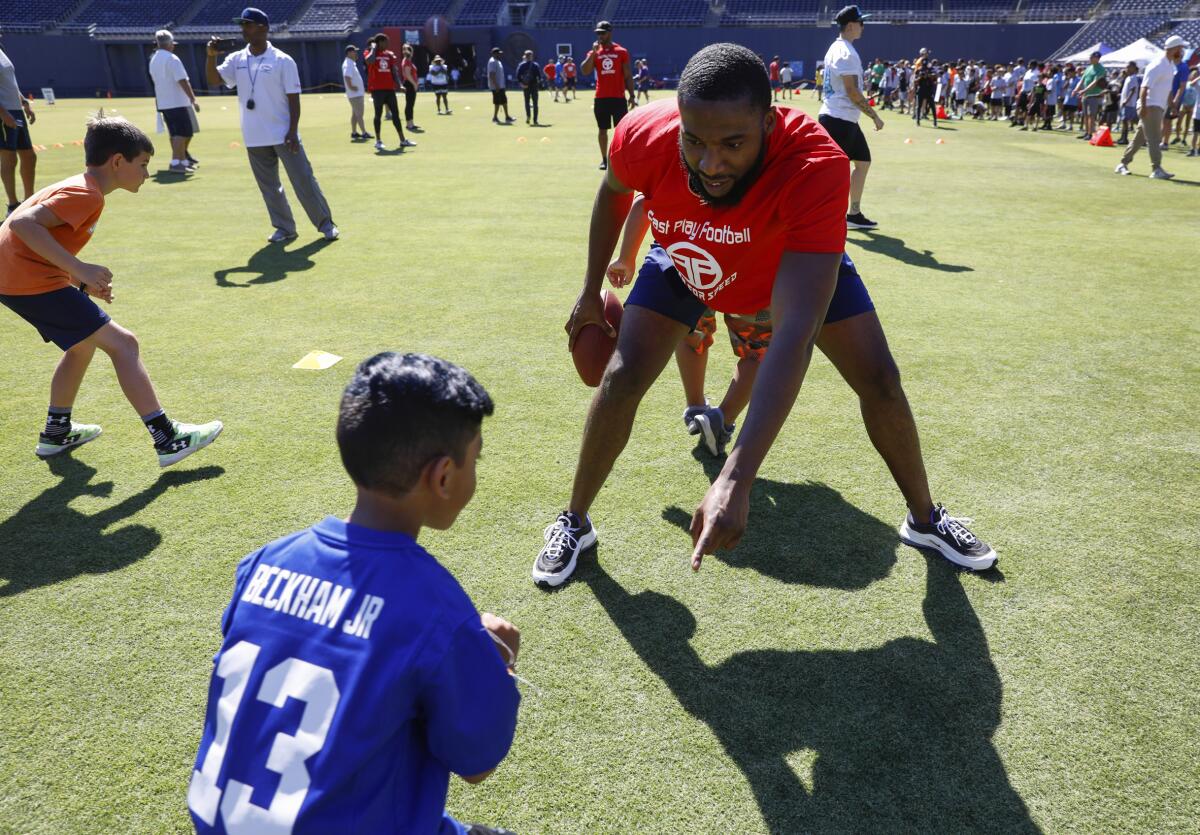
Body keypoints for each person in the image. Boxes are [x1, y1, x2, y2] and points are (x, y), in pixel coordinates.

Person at [530, 43, 996, 590]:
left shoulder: (816, 164)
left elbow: (793, 337)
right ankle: (574, 520)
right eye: (695, 140)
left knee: (881, 381)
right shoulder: (641, 134)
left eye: (733, 143)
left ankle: (926, 519)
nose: (710, 162)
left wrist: (737, 476)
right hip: (689, 253)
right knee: (622, 376)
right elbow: (614, 193)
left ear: (768, 124)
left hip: (786, 263)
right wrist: (589, 290)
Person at [188, 352, 520, 835]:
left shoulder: (265, 562)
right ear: (444, 476)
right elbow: (477, 764)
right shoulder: (433, 607)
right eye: (477, 458)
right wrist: (500, 665)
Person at [0, 115, 222, 467]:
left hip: (15, 280)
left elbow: (28, 238)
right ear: (117, 161)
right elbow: (22, 224)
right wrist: (78, 268)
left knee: (81, 347)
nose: (147, 174)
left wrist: (79, 280)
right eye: (143, 164)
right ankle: (168, 438)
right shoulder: (86, 193)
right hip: (27, 282)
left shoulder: (81, 187)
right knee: (125, 344)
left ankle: (56, 432)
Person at [207, 8, 339, 242]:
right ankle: (285, 228)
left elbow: (293, 98)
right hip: (254, 135)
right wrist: (211, 56)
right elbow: (214, 80)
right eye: (243, 25)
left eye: (248, 24)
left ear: (263, 28)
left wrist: (292, 131)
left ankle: (326, 224)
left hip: (282, 133)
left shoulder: (282, 60)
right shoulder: (236, 59)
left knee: (303, 180)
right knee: (270, 188)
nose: (243, 29)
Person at [819, 5, 884, 231]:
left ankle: (853, 214)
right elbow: (852, 91)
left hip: (843, 118)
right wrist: (874, 116)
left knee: (863, 162)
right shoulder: (846, 53)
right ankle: (826, 219)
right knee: (834, 174)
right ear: (850, 26)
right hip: (838, 119)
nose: (863, 26)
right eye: (860, 22)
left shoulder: (838, 49)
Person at [1115, 36, 1189, 180]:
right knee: (1155, 138)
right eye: (1180, 48)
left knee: (1139, 139)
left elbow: (1167, 89)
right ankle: (1156, 168)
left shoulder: (1169, 66)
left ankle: (1123, 163)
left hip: (1158, 106)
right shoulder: (1157, 65)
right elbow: (1144, 88)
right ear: (1174, 49)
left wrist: (1172, 105)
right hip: (1150, 105)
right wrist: (1143, 106)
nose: (1182, 51)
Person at [581, 20, 635, 170]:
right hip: (601, 98)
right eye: (598, 33)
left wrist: (632, 95)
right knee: (602, 129)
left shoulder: (621, 52)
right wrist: (592, 53)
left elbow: (627, 75)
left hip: (618, 98)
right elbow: (585, 71)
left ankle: (619, 159)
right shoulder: (594, 52)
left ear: (610, 33)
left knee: (621, 131)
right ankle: (604, 160)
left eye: (602, 33)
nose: (600, 36)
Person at [148, 30, 201, 174]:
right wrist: (193, 99)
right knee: (182, 133)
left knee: (175, 133)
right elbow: (182, 80)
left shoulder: (154, 59)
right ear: (170, 43)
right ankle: (176, 162)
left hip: (163, 102)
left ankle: (182, 161)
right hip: (177, 102)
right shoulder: (172, 58)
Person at [0, 40, 37, 214]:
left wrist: (23, 101)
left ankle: (29, 201)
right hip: (5, 112)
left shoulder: (2, 50)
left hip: (16, 111)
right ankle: (13, 205)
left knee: (29, 156)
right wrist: (3, 113)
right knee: (10, 159)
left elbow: (9, 83)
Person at [362, 33, 413, 152]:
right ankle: (378, 141)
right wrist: (374, 48)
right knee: (378, 114)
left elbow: (394, 72)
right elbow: (370, 61)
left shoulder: (389, 55)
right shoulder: (369, 53)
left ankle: (402, 140)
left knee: (396, 114)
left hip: (389, 89)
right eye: (385, 42)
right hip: (377, 90)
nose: (388, 44)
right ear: (379, 42)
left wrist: (399, 84)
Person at [1075, 51, 1107, 140]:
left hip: (1094, 95)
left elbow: (1095, 82)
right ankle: (1086, 132)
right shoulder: (1089, 68)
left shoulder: (1101, 69)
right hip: (1085, 95)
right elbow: (1082, 80)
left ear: (1097, 58)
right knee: (1085, 115)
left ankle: (1091, 133)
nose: (1090, 59)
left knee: (1091, 115)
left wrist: (1084, 90)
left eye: (1092, 57)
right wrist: (1076, 89)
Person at [342, 45, 369, 140]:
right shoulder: (348, 63)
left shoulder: (351, 63)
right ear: (349, 53)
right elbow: (347, 76)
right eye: (354, 51)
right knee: (359, 114)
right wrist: (351, 87)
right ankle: (364, 132)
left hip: (356, 93)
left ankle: (354, 132)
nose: (356, 53)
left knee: (355, 114)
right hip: (355, 94)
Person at [487, 47, 515, 124]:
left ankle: (507, 117)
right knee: (497, 102)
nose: (500, 54)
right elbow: (491, 75)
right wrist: (496, 86)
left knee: (504, 101)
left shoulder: (498, 61)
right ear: (494, 54)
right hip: (496, 86)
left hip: (501, 86)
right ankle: (495, 117)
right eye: (498, 53)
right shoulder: (492, 62)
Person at [515, 49, 543, 126]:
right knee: (535, 103)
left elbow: (517, 76)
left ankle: (528, 117)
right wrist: (539, 84)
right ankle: (535, 120)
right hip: (534, 85)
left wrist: (521, 84)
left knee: (527, 102)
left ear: (525, 56)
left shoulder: (521, 65)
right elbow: (539, 77)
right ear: (531, 56)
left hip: (525, 85)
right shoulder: (535, 65)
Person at [1117, 62, 1141, 145]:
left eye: (1128, 67)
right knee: (1126, 120)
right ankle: (1123, 137)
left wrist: (1126, 100)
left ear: (1133, 68)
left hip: (1129, 104)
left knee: (1127, 120)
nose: (1126, 69)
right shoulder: (1128, 77)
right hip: (1126, 103)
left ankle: (1125, 138)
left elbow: (1133, 90)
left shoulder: (1133, 78)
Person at [401, 43, 422, 133]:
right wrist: (414, 84)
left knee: (410, 104)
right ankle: (409, 124)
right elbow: (408, 75)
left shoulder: (407, 60)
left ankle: (411, 123)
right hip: (409, 84)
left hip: (410, 84)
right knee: (409, 104)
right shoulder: (407, 61)